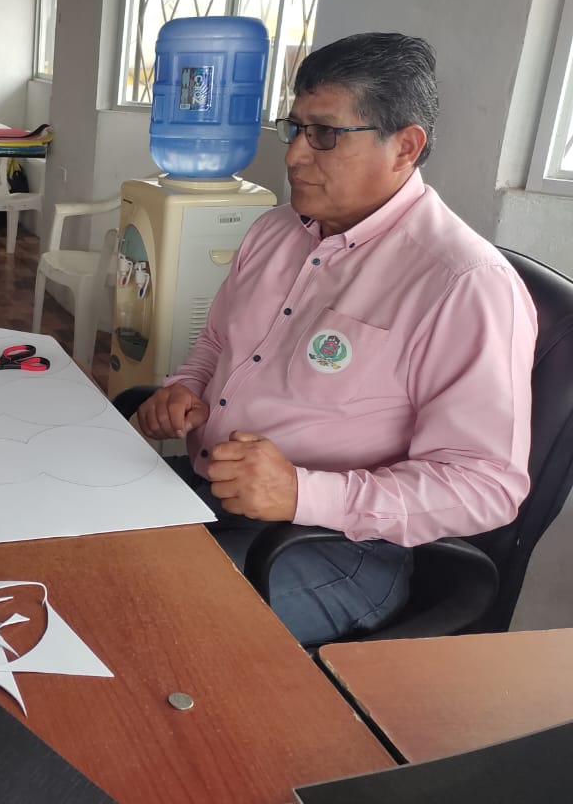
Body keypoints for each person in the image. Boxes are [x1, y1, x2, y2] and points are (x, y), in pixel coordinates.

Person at [136, 32, 538, 645]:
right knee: (73, 556)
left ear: (405, 147)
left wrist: (303, 493)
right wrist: (185, 387)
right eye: (294, 128)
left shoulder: (463, 283)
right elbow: (218, 340)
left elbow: (486, 486)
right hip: (210, 491)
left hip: (340, 546)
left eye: (325, 134)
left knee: (144, 624)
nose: (295, 156)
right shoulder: (275, 231)